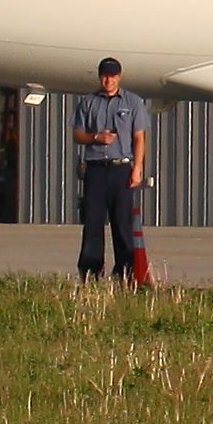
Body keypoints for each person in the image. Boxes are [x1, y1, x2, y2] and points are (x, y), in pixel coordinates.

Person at [69, 57, 150, 284]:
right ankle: (90, 273)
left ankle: (125, 272)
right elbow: (78, 134)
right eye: (105, 76)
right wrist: (96, 137)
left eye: (113, 76)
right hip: (96, 169)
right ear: (100, 77)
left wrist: (137, 168)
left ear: (119, 77)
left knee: (122, 223)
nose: (108, 80)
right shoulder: (88, 102)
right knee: (93, 223)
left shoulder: (132, 102)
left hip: (120, 167)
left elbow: (139, 137)